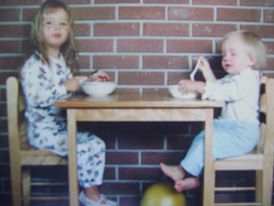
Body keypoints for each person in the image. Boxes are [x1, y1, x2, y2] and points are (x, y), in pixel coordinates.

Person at [20, 1, 117, 206]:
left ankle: (88, 193)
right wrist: (66, 86)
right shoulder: (34, 65)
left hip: (60, 129)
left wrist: (89, 79)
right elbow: (36, 98)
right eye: (50, 23)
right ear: (38, 29)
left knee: (96, 143)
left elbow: (70, 82)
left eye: (63, 24)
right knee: (83, 146)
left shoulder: (59, 61)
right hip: (42, 133)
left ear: (68, 31)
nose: (57, 28)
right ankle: (91, 197)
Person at [160, 30, 267, 192]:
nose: (226, 58)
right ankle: (195, 178)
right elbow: (217, 87)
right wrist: (206, 71)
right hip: (229, 129)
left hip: (242, 134)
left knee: (207, 143)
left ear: (251, 59)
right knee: (202, 138)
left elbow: (226, 92)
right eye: (224, 54)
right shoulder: (233, 78)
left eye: (233, 54)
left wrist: (199, 86)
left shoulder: (248, 78)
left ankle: (181, 171)